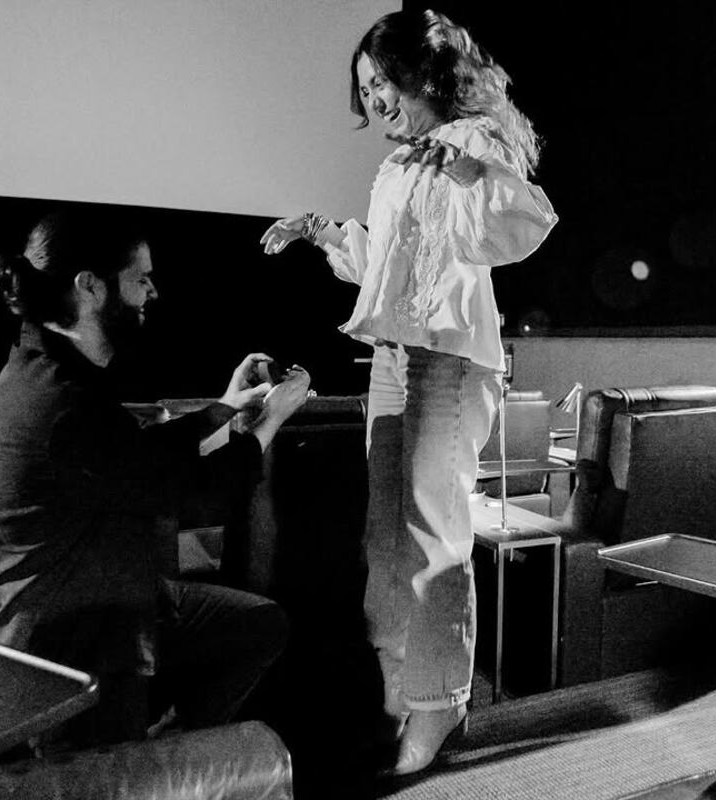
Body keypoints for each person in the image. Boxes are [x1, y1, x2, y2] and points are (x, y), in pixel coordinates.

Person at [260, 9, 557, 775]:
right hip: (394, 357)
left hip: (449, 359)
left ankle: (441, 702)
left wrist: (467, 172)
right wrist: (326, 233)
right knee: (384, 537)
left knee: (432, 535)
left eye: (380, 83)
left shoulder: (475, 142)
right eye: (364, 91)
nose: (374, 101)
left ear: (421, 74)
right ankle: (399, 692)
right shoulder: (396, 165)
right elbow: (386, 271)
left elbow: (516, 229)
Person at [0, 209, 310, 748]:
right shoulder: (61, 404)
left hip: (115, 596)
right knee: (109, 776)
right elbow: (194, 491)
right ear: (90, 286)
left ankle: (173, 747)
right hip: (78, 640)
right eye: (140, 278)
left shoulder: (50, 371)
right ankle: (156, 761)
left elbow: (136, 457)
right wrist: (270, 421)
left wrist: (222, 408)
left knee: (257, 625)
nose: (152, 292)